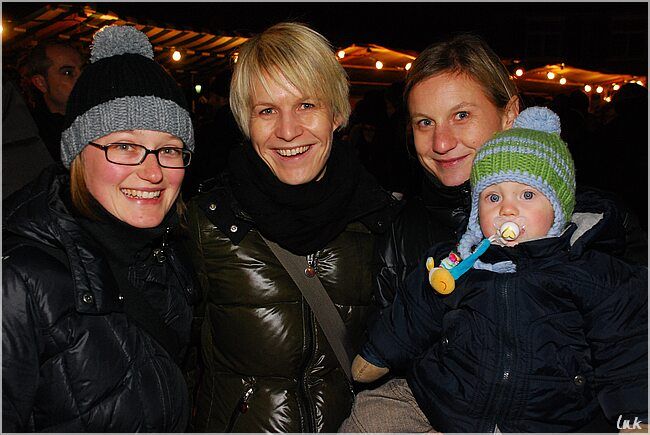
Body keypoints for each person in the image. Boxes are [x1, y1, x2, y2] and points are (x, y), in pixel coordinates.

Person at [340, 107, 648, 433]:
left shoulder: (594, 274)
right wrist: (379, 353)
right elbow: (416, 308)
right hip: (445, 401)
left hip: (550, 418)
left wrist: (636, 414)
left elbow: (626, 347)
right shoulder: (461, 263)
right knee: (373, 414)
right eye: (492, 197)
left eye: (527, 194)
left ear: (558, 207)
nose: (507, 208)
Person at [186, 22, 399, 432]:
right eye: (267, 110)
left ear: (337, 113)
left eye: (306, 105)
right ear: (245, 121)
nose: (287, 131)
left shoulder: (381, 223)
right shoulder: (207, 222)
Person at [3, 25, 197, 432]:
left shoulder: (172, 253)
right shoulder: (17, 280)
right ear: (76, 153)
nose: (152, 172)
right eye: (124, 146)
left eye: (169, 149)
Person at [374, 33, 646, 310]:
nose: (441, 143)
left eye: (462, 115)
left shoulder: (600, 224)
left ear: (510, 114)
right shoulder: (397, 236)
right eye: (425, 122)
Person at [24, 40, 84, 164]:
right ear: (41, 83)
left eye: (84, 70)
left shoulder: (99, 118)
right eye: (68, 73)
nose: (82, 78)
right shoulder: (31, 137)